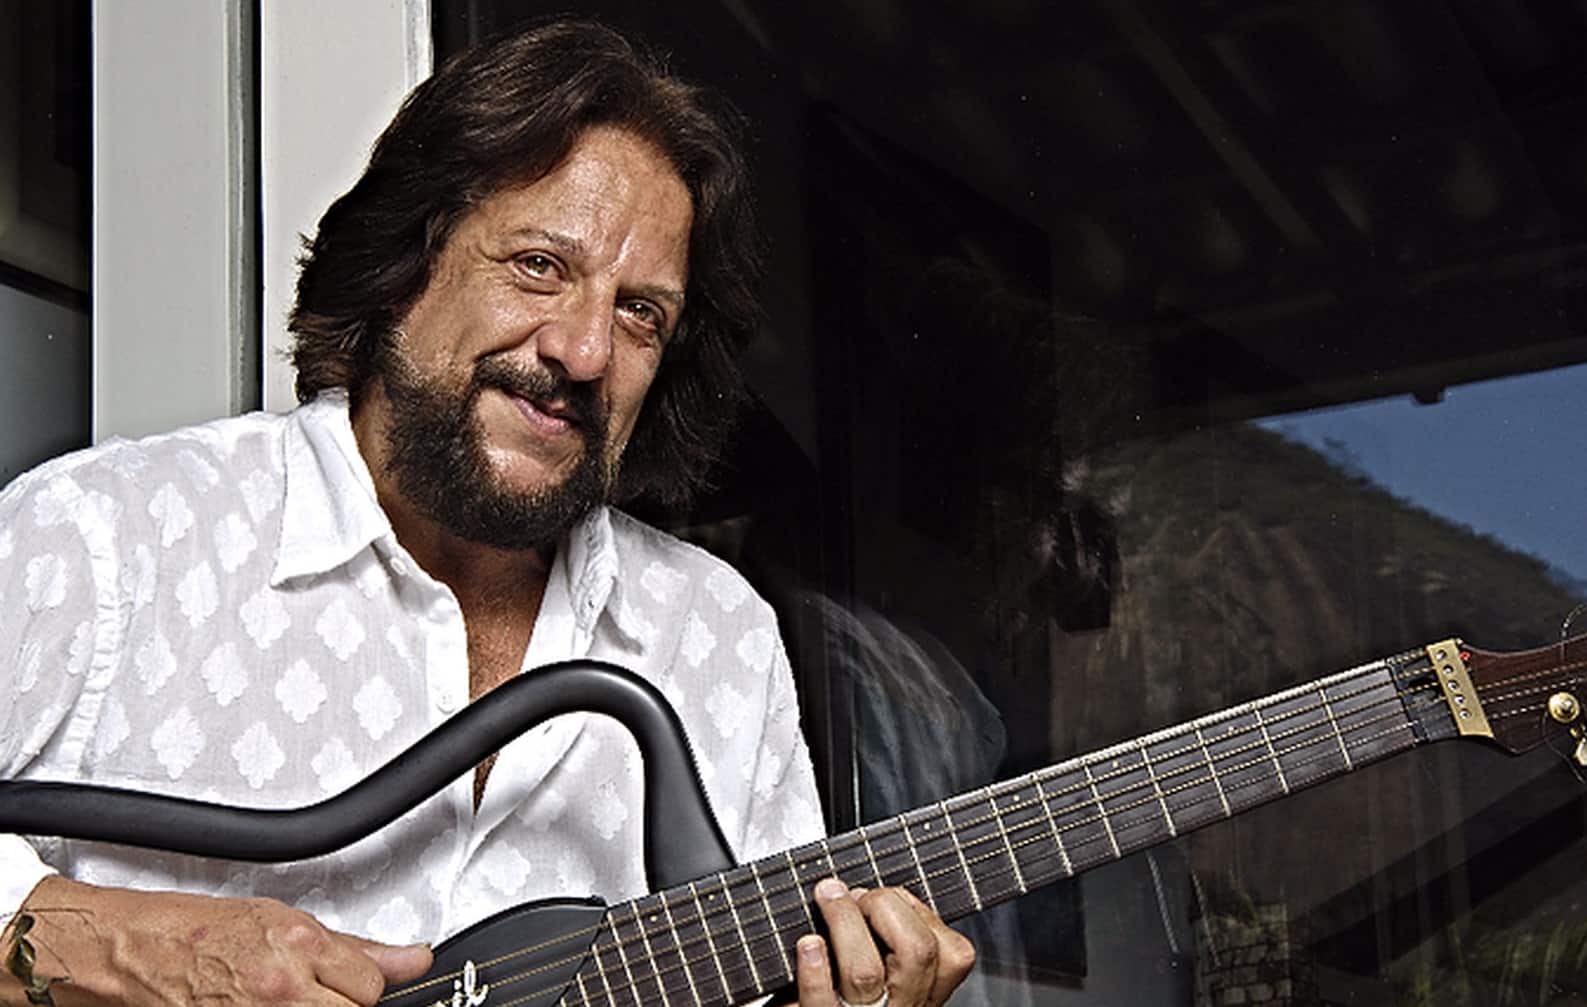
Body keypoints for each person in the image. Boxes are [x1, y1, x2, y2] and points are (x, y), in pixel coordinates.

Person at [0, 20, 973, 1007]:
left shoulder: (719, 636)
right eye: (539, 265)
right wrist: (112, 951)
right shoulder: (104, 537)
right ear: (407, 261)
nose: (585, 351)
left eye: (640, 313)